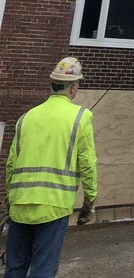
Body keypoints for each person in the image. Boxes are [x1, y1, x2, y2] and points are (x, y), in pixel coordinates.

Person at [4, 57, 97, 278]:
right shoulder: (81, 117)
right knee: (43, 270)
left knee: (14, 268)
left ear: (52, 85)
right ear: (73, 88)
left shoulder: (26, 118)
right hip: (54, 206)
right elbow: (87, 164)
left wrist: (9, 197)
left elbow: (11, 163)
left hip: (20, 204)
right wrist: (90, 200)